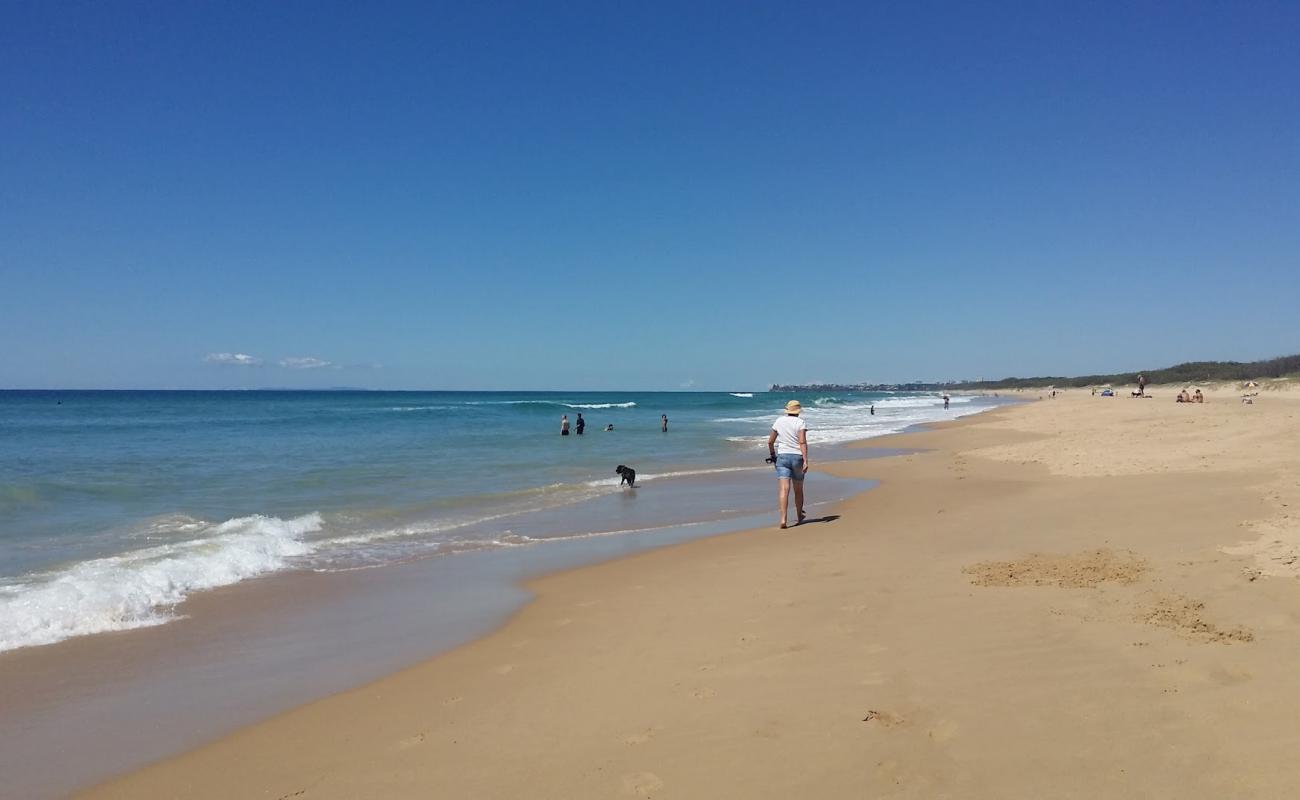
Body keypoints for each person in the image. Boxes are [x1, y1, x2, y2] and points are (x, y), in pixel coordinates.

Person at [767, 400, 809, 530]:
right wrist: (806, 460)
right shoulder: (800, 422)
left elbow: (770, 441)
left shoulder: (779, 421)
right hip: (797, 457)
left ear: (787, 411)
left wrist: (773, 455)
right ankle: (799, 516)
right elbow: (802, 442)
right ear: (798, 412)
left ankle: (783, 519)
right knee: (798, 489)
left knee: (784, 490)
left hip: (782, 457)